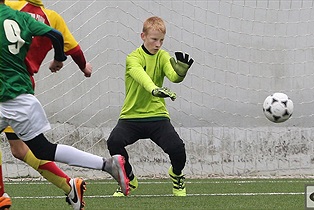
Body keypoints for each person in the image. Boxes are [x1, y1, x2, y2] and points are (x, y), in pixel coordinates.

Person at [0, 1, 129, 209]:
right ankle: (105, 165)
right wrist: (60, 58)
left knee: (34, 149)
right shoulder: (29, 17)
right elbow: (58, 37)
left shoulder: (16, 9)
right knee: (38, 149)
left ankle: (1, 196)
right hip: (21, 95)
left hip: (8, 94)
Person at [107, 16, 194, 197]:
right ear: (143, 36)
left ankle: (176, 175)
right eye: (154, 39)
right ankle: (129, 178)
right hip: (131, 116)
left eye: (161, 40)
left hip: (157, 116)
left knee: (178, 149)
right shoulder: (133, 58)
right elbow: (141, 76)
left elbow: (173, 76)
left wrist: (181, 74)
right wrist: (154, 90)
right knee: (114, 142)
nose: (158, 44)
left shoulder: (163, 56)